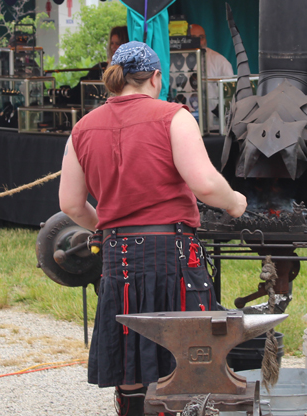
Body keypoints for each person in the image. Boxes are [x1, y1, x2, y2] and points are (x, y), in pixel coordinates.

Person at [59, 41, 247, 416]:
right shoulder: (174, 116)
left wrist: (105, 229)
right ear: (156, 77)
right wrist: (235, 202)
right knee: (186, 351)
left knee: (129, 354)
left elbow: (70, 205)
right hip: (172, 251)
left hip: (118, 255)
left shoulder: (82, 128)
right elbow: (206, 185)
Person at [189, 24, 234, 130]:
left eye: (201, 37)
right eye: (194, 38)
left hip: (213, 125)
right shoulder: (176, 62)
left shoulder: (219, 61)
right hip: (186, 123)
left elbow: (230, 94)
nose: (199, 41)